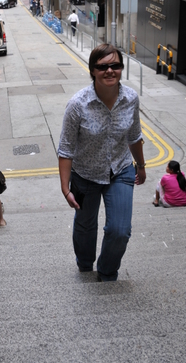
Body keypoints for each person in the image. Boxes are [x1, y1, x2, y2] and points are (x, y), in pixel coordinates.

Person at [58, 43, 146, 281]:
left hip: (121, 170)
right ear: (93, 70)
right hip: (85, 175)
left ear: (121, 68)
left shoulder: (131, 99)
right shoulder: (77, 104)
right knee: (85, 225)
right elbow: (66, 149)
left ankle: (107, 271)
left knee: (120, 230)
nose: (110, 71)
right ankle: (85, 263)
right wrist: (65, 189)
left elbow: (134, 136)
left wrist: (141, 165)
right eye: (103, 66)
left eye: (115, 65)